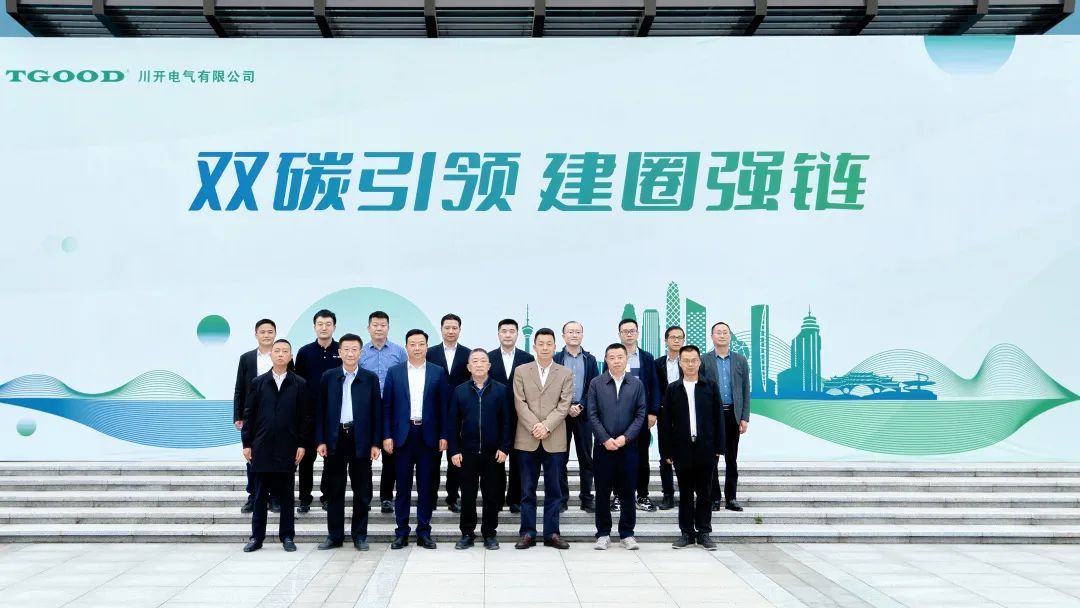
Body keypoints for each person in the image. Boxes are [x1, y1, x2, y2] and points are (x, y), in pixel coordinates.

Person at [241, 339, 311, 553]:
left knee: (287, 495)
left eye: (285, 351)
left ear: (291, 356)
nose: (281, 354)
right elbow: (249, 415)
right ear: (271, 355)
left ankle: (287, 536)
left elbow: (305, 417)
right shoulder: (258, 383)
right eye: (277, 351)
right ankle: (256, 537)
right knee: (260, 495)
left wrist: (302, 444)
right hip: (261, 446)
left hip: (288, 447)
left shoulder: (300, 384)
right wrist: (247, 443)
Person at [382, 329, 450, 550]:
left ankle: (424, 531)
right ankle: (401, 532)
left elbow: (444, 407)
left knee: (426, 487)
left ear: (427, 347)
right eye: (412, 344)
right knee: (402, 487)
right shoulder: (395, 372)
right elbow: (387, 407)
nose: (417, 348)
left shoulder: (437, 372)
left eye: (421, 344)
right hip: (402, 436)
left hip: (428, 436)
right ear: (406, 347)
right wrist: (387, 435)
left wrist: (444, 435)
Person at [314, 333, 381, 551]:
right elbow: (320, 411)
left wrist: (376, 443)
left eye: (354, 349)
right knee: (335, 490)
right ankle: (334, 536)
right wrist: (320, 440)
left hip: (361, 439)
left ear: (361, 353)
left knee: (362, 491)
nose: (350, 353)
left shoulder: (370, 378)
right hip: (335, 438)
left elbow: (377, 413)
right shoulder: (328, 377)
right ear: (339, 352)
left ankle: (359, 536)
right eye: (346, 349)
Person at [512, 328, 573, 550]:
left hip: (554, 438)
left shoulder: (565, 373)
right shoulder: (521, 371)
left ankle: (552, 533)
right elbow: (519, 402)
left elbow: (564, 405)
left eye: (549, 344)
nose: (545, 347)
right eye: (541, 343)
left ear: (555, 347)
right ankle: (527, 532)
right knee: (527, 490)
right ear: (534, 346)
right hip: (526, 438)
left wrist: (546, 426)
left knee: (554, 490)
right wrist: (535, 426)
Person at [447, 349, 512, 550]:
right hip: (467, 453)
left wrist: (504, 447)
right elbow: (452, 424)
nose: (479, 364)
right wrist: (454, 450)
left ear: (489, 366)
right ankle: (467, 533)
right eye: (474, 361)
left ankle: (489, 533)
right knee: (467, 495)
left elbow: (508, 422)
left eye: (483, 361)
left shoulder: (501, 390)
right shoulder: (459, 391)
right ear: (468, 367)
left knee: (492, 495)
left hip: (494, 454)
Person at [660, 345, 724, 550]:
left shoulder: (710, 386)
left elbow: (718, 418)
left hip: (706, 447)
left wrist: (719, 447)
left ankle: (704, 532)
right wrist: (666, 451)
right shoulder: (673, 389)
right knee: (686, 493)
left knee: (705, 493)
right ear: (680, 363)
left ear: (699, 362)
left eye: (694, 360)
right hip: (682, 449)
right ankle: (686, 533)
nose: (690, 364)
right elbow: (665, 423)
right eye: (686, 360)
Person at [586, 344, 647, 550]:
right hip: (603, 447)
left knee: (628, 491)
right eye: (612, 357)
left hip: (628, 448)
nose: (616, 361)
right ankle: (603, 533)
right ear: (606, 360)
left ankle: (627, 534)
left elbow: (640, 414)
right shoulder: (596, 383)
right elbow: (592, 414)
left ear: (626, 359)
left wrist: (625, 438)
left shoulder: (636, 384)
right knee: (602, 491)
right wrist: (605, 438)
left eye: (620, 357)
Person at [603, 318, 660, 513]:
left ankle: (642, 495)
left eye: (632, 331)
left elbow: (654, 385)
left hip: (641, 415)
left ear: (637, 333)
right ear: (619, 334)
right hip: (616, 417)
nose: (629, 334)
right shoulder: (612, 356)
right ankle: (618, 495)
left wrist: (653, 412)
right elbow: (604, 385)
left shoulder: (647, 358)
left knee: (642, 458)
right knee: (617, 458)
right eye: (625, 331)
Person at [233, 318, 288, 514]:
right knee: (253, 457)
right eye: (262, 332)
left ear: (275, 333)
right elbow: (240, 388)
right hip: (254, 415)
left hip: (279, 415)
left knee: (277, 456)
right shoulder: (246, 358)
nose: (266, 335)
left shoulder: (282, 355)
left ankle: (275, 497)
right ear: (256, 334)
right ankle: (254, 496)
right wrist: (238, 415)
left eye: (270, 331)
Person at [698, 322, 751, 512]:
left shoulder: (740, 360)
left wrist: (744, 417)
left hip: (733, 415)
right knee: (712, 459)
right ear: (712, 336)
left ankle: (731, 498)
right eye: (718, 332)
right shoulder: (704, 360)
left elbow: (745, 389)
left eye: (725, 332)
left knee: (731, 459)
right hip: (713, 415)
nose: (721, 335)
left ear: (730, 336)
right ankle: (714, 498)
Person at [360, 310, 407, 514]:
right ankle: (365, 497)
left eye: (383, 325)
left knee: (390, 455)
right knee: (365, 455)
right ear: (368, 327)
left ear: (388, 327)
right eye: (375, 325)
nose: (379, 328)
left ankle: (387, 497)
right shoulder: (361, 352)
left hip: (392, 409)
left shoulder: (399, 352)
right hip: (366, 410)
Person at [293, 309, 340, 513]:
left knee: (331, 459)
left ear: (334, 327)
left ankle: (327, 496)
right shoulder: (304, 352)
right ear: (314, 327)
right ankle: (304, 498)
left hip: (333, 414)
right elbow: (297, 383)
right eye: (320, 324)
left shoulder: (341, 350)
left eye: (328, 324)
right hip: (308, 414)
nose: (324, 328)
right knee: (306, 458)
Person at [488, 318, 534, 514]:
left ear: (517, 334)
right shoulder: (488, 358)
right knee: (495, 458)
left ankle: (515, 498)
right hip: (494, 415)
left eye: (511, 331)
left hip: (520, 415)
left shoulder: (527, 358)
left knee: (518, 458)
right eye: (504, 331)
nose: (508, 335)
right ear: (498, 333)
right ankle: (496, 498)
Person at [553, 321, 599, 513]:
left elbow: (594, 386)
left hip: (583, 414)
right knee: (560, 458)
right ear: (563, 336)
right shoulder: (556, 358)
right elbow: (551, 387)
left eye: (577, 332)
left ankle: (586, 499)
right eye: (570, 332)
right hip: (560, 416)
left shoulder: (590, 359)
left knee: (586, 458)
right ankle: (561, 499)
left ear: (582, 335)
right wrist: (566, 407)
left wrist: (580, 405)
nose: (574, 335)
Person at [427, 313, 470, 514]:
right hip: (434, 412)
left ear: (460, 330)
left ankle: (453, 497)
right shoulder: (430, 353)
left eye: (454, 328)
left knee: (456, 458)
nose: (451, 331)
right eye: (447, 327)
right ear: (441, 329)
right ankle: (431, 497)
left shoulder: (468, 354)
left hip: (460, 414)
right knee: (432, 460)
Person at [652, 325, 685, 511]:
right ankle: (668, 495)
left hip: (686, 415)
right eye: (673, 337)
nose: (676, 340)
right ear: (666, 340)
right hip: (664, 414)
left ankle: (686, 493)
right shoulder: (657, 364)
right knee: (665, 455)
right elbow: (654, 389)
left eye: (680, 337)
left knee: (685, 456)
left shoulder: (690, 362)